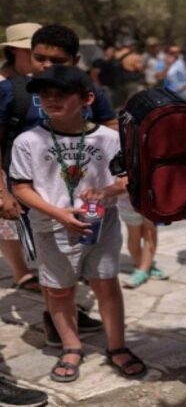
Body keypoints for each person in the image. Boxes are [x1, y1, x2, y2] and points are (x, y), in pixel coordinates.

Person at [10, 65, 145, 383]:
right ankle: (71, 347)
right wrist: (58, 214)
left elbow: (126, 178)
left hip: (102, 224)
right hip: (52, 228)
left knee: (106, 284)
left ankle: (117, 346)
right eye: (45, 95)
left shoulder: (109, 138)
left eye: (61, 94)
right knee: (58, 291)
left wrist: (108, 189)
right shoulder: (28, 141)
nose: (51, 100)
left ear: (86, 98)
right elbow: (21, 187)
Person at [0, 23, 115, 346]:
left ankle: (66, 313)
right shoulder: (11, 91)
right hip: (32, 194)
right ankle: (56, 321)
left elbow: (110, 126)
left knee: (78, 257)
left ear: (75, 60)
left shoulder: (89, 89)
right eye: (40, 58)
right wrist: (4, 190)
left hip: (81, 192)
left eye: (58, 60)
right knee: (51, 264)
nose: (47, 67)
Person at [0, 23, 43, 294]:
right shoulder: (2, 86)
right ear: (15, 50)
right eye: (34, 51)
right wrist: (2, 189)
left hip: (35, 171)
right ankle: (21, 272)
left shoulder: (39, 81)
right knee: (7, 222)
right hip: (7, 170)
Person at [119, 194, 166, 288]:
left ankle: (144, 268)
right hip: (130, 203)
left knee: (149, 233)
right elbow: (121, 184)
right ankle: (142, 268)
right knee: (136, 235)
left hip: (150, 201)